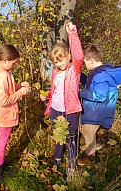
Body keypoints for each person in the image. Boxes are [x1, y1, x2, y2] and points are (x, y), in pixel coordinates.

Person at [40, 22, 84, 177]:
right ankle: (57, 159)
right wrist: (47, 99)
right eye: (56, 62)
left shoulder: (74, 70)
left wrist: (72, 32)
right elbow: (55, 90)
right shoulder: (55, 72)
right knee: (59, 135)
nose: (58, 64)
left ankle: (71, 166)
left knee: (71, 138)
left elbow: (79, 55)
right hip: (56, 110)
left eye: (61, 60)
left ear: (68, 57)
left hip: (71, 111)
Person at [0, 44, 31, 185]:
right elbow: (4, 100)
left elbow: (7, 89)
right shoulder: (3, 75)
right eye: (14, 63)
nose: (15, 65)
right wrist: (22, 92)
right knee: (2, 143)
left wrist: (19, 86)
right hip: (4, 115)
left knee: (2, 141)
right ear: (5, 60)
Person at [78, 45, 121, 164]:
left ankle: (91, 157)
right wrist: (79, 76)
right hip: (98, 110)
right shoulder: (98, 72)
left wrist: (81, 93)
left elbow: (100, 95)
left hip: (97, 111)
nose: (85, 65)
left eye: (85, 63)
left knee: (87, 130)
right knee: (85, 129)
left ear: (91, 61)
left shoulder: (100, 75)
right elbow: (91, 83)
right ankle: (95, 144)